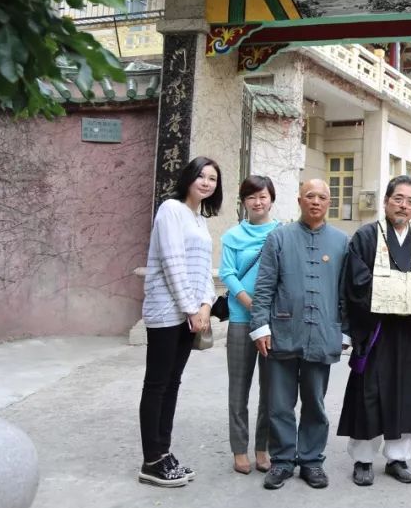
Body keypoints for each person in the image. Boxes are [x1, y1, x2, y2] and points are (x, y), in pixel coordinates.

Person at [337, 176, 411, 487]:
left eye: (410, 201)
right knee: (368, 394)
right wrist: (398, 291)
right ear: (386, 201)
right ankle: (363, 459)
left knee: (407, 394)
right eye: (398, 198)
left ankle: (398, 457)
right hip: (376, 330)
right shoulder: (366, 237)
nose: (403, 205)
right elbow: (355, 283)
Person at [249, 179, 349, 490]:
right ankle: (281, 461)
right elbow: (264, 286)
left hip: (322, 332)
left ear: (329, 202)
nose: (315, 201)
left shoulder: (341, 242)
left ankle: (311, 460)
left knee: (315, 402)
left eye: (322, 196)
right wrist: (260, 327)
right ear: (299, 200)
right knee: (279, 402)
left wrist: (345, 331)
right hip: (282, 332)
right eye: (310, 196)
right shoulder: (279, 237)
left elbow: (347, 292)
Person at [138, 156, 221, 487]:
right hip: (166, 312)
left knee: (173, 382)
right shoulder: (170, 210)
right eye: (201, 176)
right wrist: (191, 308)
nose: (206, 182)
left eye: (213, 178)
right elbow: (172, 262)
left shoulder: (200, 219)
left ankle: (163, 451)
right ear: (188, 178)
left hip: (191, 315)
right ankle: (150, 460)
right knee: (157, 384)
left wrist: (205, 305)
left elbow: (202, 270)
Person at [220, 175, 279, 475]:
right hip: (242, 320)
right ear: (243, 202)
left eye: (263, 196)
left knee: (270, 389)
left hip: (272, 322)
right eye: (251, 197)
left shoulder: (283, 233)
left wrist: (266, 311)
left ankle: (262, 447)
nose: (258, 202)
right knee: (238, 388)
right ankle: (239, 449)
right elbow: (227, 273)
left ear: (272, 199)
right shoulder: (233, 236)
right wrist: (250, 304)